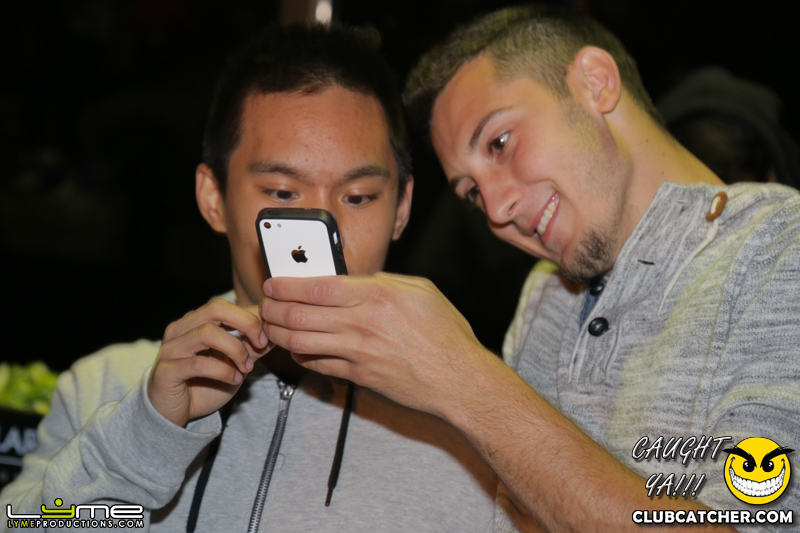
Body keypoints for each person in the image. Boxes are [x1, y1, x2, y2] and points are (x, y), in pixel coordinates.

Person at [257, 6, 800, 532]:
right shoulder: (545, 296)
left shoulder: (779, 248)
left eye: (500, 143)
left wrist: (465, 379)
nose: (496, 210)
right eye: (472, 192)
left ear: (596, 82)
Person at [0, 24, 500, 532]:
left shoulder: (468, 432)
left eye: (358, 197)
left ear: (402, 208)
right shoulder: (104, 388)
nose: (321, 228)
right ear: (213, 198)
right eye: (281, 193)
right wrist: (148, 433)